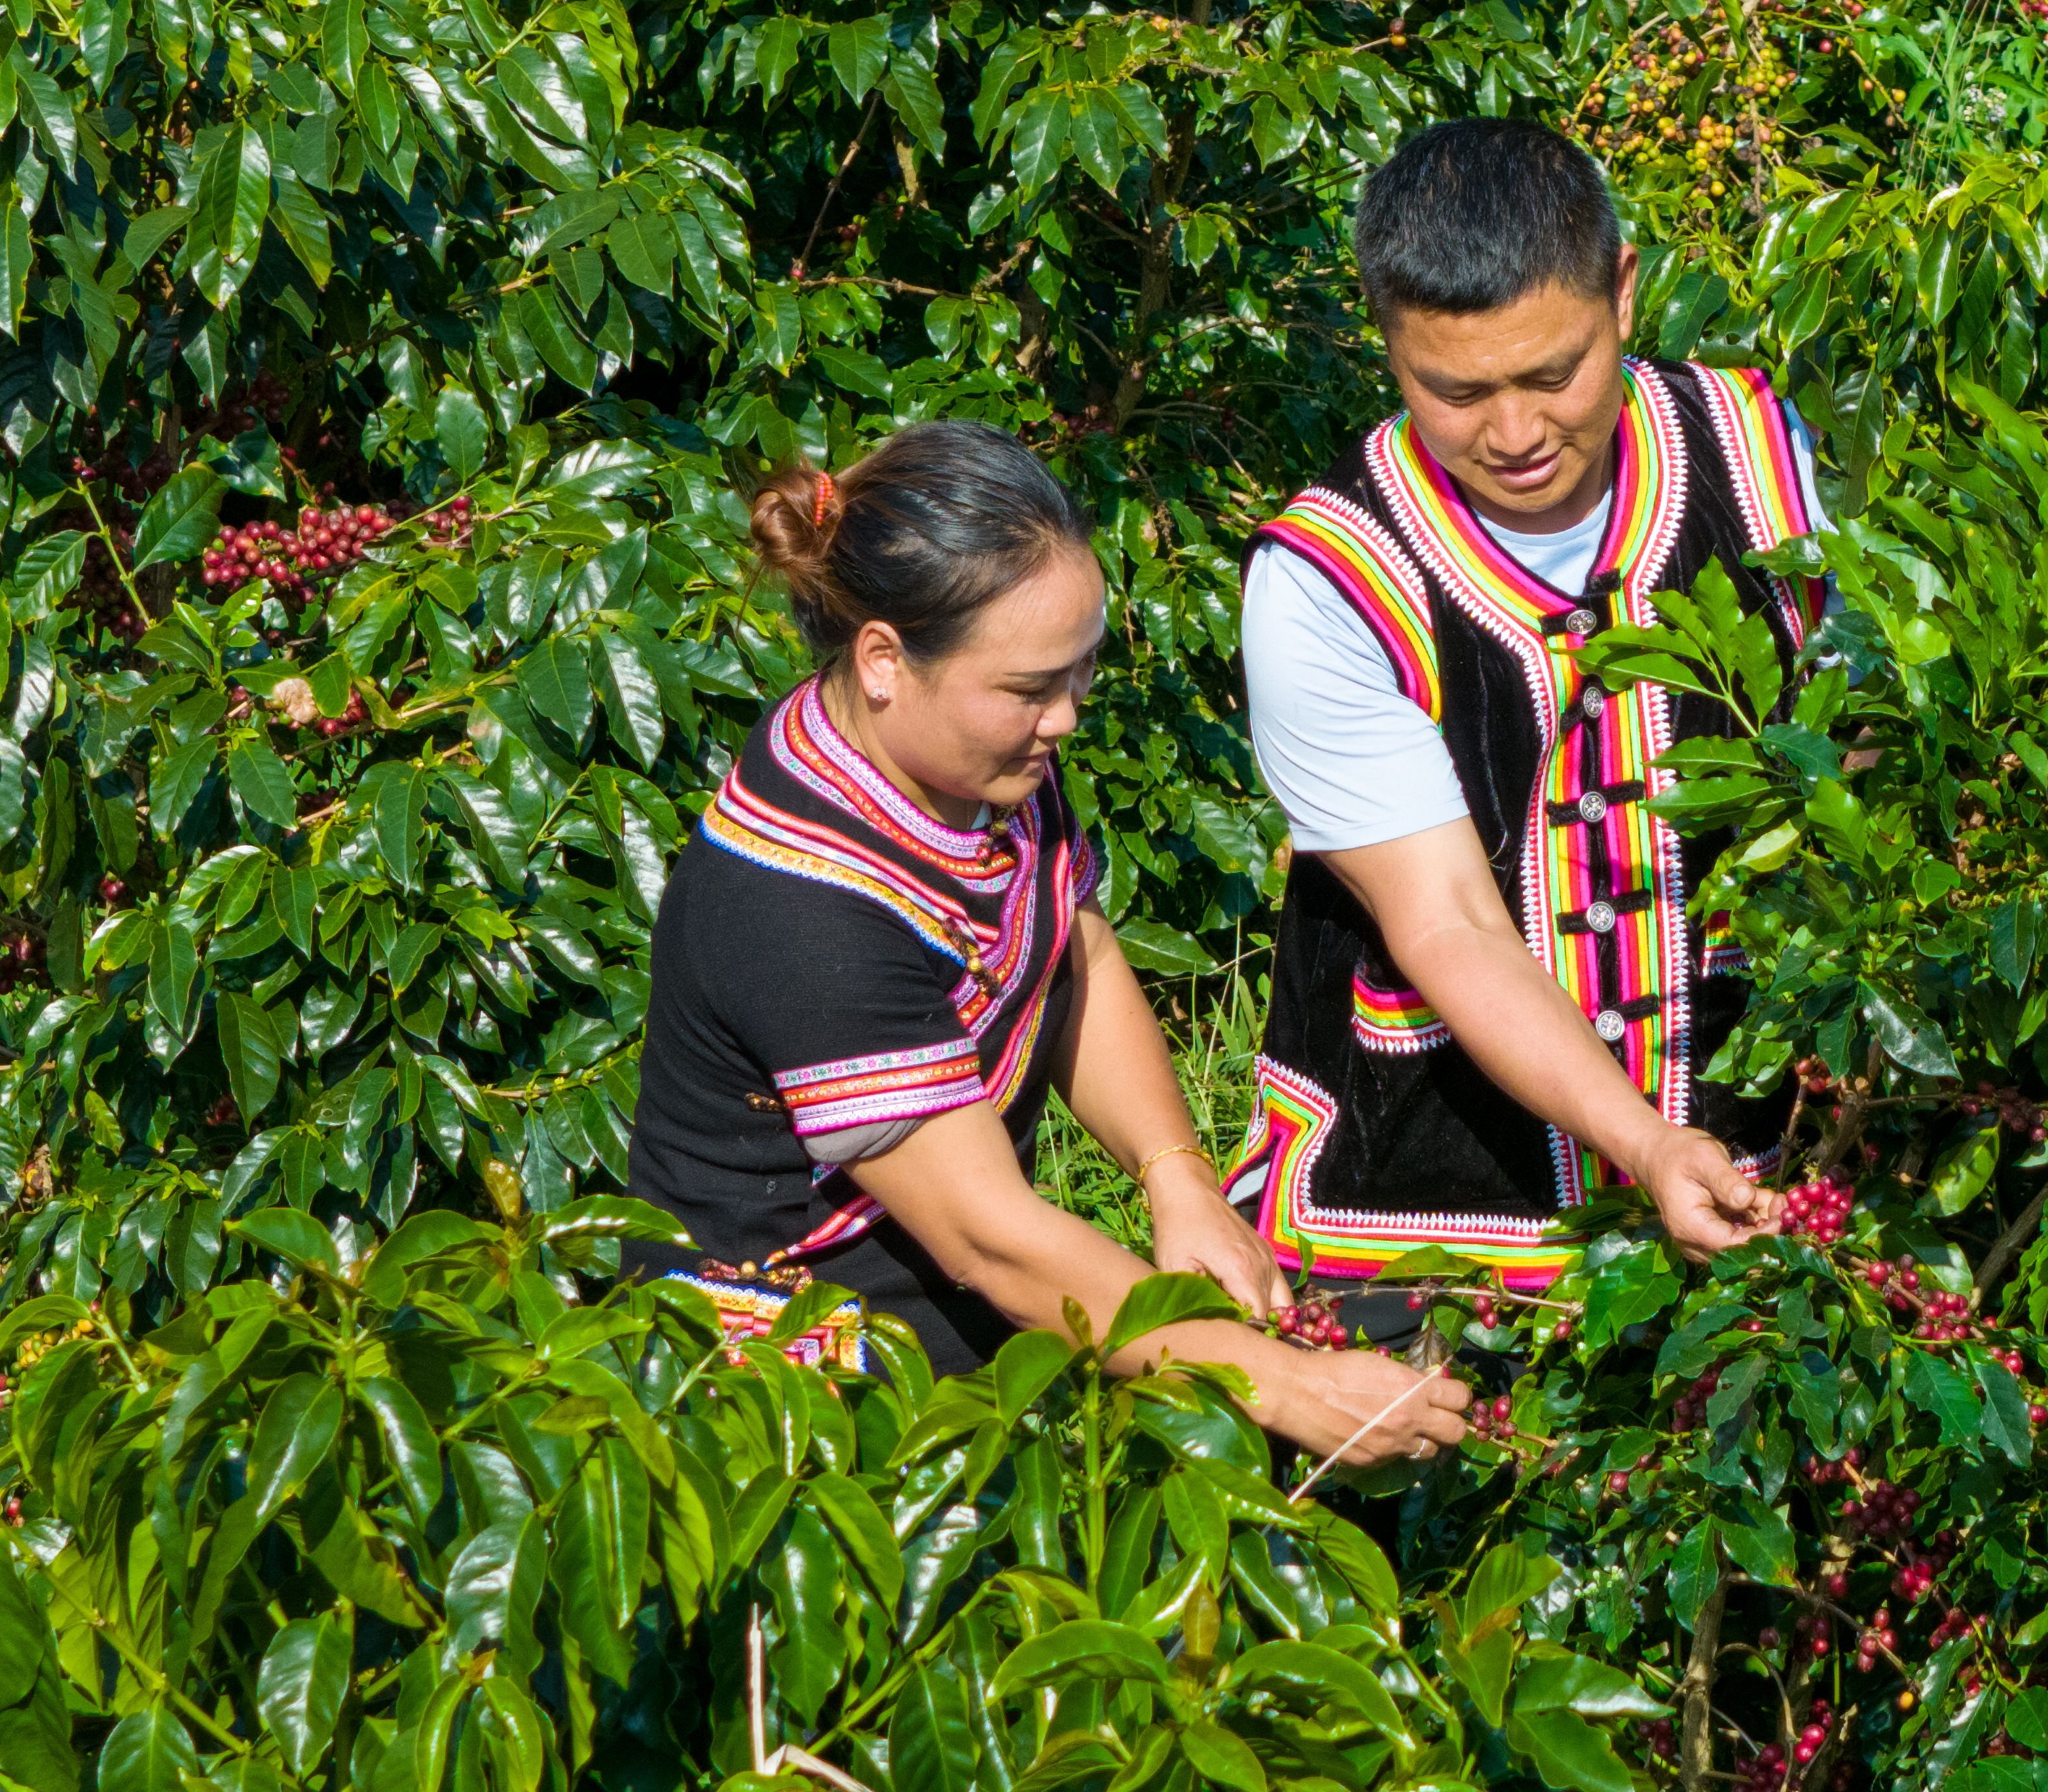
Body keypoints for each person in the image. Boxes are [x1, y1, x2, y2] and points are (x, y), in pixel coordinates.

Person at [629, 420, 1470, 1466]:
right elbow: (990, 1234)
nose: (1066, 718)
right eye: (1032, 688)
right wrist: (1286, 1385)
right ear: (882, 659)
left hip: (961, 1310)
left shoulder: (978, 766)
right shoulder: (796, 906)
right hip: (795, 1393)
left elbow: (1075, 954)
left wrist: (1179, 1182)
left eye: (1079, 674)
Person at [1232, 120, 1831, 1338]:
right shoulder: (1326, 576)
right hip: (1435, 1194)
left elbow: (1846, 741)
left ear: (1623, 289)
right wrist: (1647, 1147)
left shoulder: (1754, 445)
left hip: (1755, 1133)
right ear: (1386, 341)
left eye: (1554, 373)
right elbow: (1445, 920)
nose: (1513, 434)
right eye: (1455, 390)